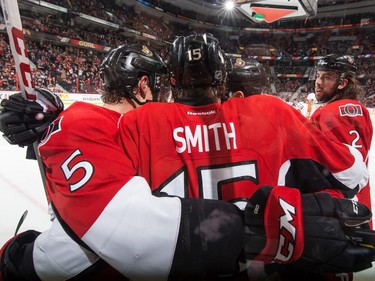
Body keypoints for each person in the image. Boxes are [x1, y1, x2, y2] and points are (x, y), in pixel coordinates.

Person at [0, 35, 374, 281]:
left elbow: (98, 237)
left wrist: (17, 255)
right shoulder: (272, 113)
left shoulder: (135, 125)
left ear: (175, 81)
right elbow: (352, 175)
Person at [312, 54, 373, 223]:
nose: (318, 81)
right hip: (361, 203)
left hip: (337, 206)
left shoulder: (326, 113)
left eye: (327, 77)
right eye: (318, 76)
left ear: (343, 83)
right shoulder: (362, 110)